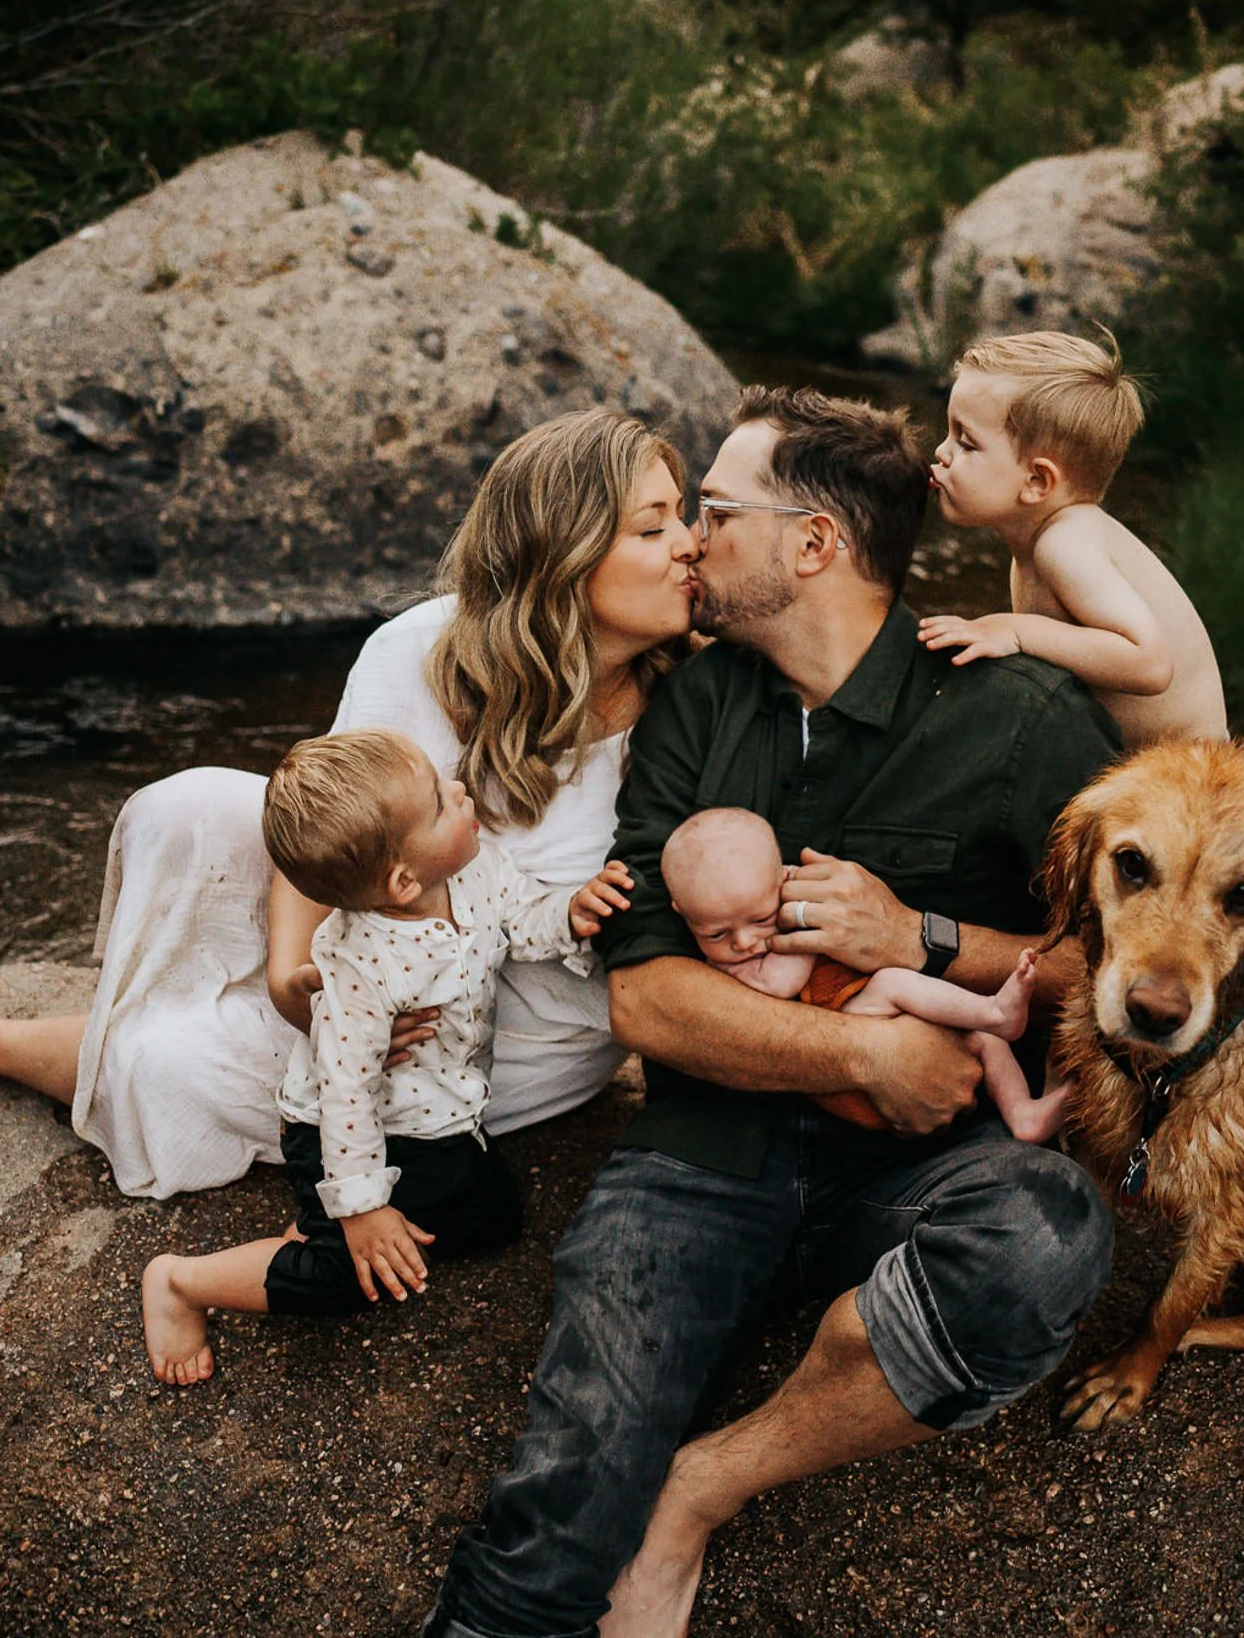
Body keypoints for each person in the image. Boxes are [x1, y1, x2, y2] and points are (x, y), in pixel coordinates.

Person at [423, 386, 1123, 1638]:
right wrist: (863, 1045)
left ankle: (702, 1488)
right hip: (703, 1155)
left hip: (928, 1160)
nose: (691, 537)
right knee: (575, 1457)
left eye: (714, 511)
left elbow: (1117, 969)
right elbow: (644, 992)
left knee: (1046, 1238)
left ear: (813, 543)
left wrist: (924, 940)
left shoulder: (1019, 715)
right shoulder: (696, 705)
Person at [0, 410, 699, 1199]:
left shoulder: (699, 701)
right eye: (654, 528)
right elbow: (344, 823)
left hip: (489, 1029)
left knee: (174, 1066)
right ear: (563, 555)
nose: (691, 544)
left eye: (686, 519)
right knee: (183, 807)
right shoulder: (427, 648)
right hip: (379, 907)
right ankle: (213, 1004)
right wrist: (290, 981)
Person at [139, 727, 635, 1385]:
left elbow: (522, 915)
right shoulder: (357, 966)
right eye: (438, 802)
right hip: (342, 1132)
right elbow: (347, 1093)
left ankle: (327, 1222)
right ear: (403, 880)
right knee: (349, 1278)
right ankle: (183, 1281)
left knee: (493, 1219)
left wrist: (571, 913)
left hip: (435, 1118)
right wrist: (362, 1207)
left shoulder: (475, 871)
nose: (460, 793)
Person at [661, 806, 1060, 1143]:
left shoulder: (747, 913)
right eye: (715, 933)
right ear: (682, 913)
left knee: (980, 1037)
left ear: (781, 876)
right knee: (891, 983)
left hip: (882, 1034)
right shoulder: (735, 964)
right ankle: (995, 1012)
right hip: (844, 1061)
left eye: (760, 917)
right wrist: (802, 930)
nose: (744, 941)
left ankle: (1024, 1113)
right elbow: (783, 985)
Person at [917, 329, 1229, 745]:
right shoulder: (1038, 540)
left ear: (1037, 480)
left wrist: (1014, 631)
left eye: (967, 443)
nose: (942, 452)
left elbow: (1150, 663)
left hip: (1184, 783)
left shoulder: (1064, 546)